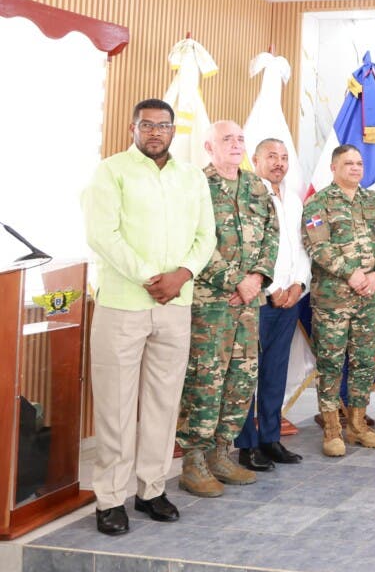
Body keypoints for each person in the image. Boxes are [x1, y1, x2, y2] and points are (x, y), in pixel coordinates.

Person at [82, 98, 216, 535]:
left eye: (163, 125)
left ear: (174, 131)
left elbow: (206, 236)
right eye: (147, 125)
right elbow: (103, 235)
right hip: (124, 303)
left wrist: (182, 276)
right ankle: (110, 498)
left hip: (174, 305)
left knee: (163, 403)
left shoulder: (191, 176)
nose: (155, 132)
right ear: (133, 127)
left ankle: (152, 490)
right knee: (116, 407)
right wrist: (149, 277)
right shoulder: (111, 171)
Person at [177, 120, 279, 497]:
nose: (235, 145)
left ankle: (222, 453)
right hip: (211, 303)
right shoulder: (196, 185)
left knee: (241, 379)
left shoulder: (255, 185)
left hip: (250, 303)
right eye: (227, 139)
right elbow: (193, 240)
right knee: (206, 380)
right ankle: (194, 462)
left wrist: (256, 278)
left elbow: (273, 234)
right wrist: (233, 279)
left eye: (240, 139)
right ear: (209, 146)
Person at [302, 145, 375, 455]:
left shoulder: (373, 200)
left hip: (367, 297)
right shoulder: (319, 202)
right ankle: (332, 430)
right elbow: (318, 246)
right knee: (330, 364)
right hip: (333, 300)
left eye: (358, 163)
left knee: (364, 363)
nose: (355, 168)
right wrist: (351, 273)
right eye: (348, 163)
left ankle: (357, 426)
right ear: (333, 167)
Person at [235, 138, 311, 471]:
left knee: (274, 373)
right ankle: (246, 446)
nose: (278, 163)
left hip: (289, 302)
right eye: (271, 156)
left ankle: (269, 438)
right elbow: (246, 250)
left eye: (283, 157)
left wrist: (299, 285)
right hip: (258, 300)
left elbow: (302, 249)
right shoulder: (247, 196)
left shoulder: (293, 200)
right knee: (245, 374)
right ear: (255, 159)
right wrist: (275, 287)